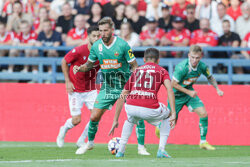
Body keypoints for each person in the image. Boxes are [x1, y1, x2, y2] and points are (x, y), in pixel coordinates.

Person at [73, 17, 149, 155]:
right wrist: (80, 68)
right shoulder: (97, 46)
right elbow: (89, 65)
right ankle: (89, 143)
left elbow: (134, 66)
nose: (102, 33)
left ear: (112, 30)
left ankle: (141, 147)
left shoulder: (123, 45)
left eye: (105, 30)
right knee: (94, 117)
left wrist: (135, 82)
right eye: (100, 30)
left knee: (137, 115)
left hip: (125, 85)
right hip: (108, 86)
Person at [109, 48, 176, 158]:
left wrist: (115, 119)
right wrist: (173, 113)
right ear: (158, 60)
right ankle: (161, 150)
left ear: (144, 59)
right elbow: (169, 89)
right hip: (149, 108)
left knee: (130, 119)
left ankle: (120, 151)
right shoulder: (162, 71)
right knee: (167, 115)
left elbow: (123, 94)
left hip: (131, 106)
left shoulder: (137, 71)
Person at [156, 45, 224, 150]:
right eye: (192, 57)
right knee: (171, 123)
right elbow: (173, 84)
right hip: (176, 96)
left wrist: (217, 88)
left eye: (197, 58)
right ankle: (159, 127)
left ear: (201, 57)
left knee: (203, 113)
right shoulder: (182, 68)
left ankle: (203, 142)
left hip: (189, 94)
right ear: (188, 55)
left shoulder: (202, 66)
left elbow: (210, 77)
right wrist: (188, 92)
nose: (194, 60)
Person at [56, 26, 100, 148]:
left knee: (96, 117)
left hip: (91, 90)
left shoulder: (101, 53)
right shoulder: (80, 51)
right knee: (76, 120)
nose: (96, 38)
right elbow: (64, 61)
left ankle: (81, 140)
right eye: (94, 36)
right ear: (88, 36)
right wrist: (67, 81)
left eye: (98, 36)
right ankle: (63, 130)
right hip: (76, 89)